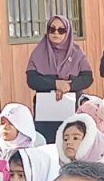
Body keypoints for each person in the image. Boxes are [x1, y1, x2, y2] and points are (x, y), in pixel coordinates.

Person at [26, 15, 93, 143]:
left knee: (71, 143)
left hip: (71, 109)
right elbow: (32, 80)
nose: (56, 33)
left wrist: (68, 86)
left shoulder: (77, 53)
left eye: (61, 30)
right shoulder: (39, 52)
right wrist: (55, 84)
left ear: (68, 32)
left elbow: (87, 78)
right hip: (46, 112)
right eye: (52, 29)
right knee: (47, 144)